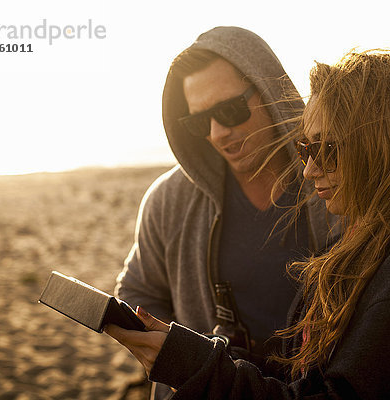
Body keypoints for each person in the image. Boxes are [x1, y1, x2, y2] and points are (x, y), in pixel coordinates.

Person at [107, 50, 390, 399]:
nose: (310, 169)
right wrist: (213, 353)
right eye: (305, 149)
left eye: (328, 150)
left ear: (383, 145)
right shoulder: (370, 233)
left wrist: (197, 366)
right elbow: (312, 378)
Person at [113, 26, 338, 399]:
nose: (217, 133)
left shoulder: (336, 181)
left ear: (270, 91)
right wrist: (185, 357)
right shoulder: (168, 201)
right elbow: (139, 291)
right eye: (199, 122)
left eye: (230, 110)